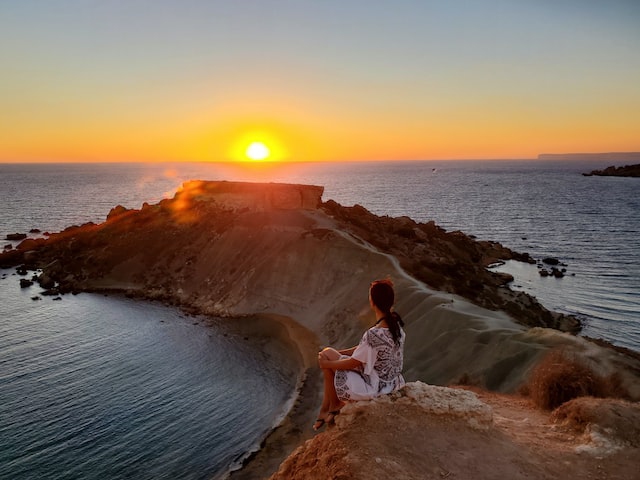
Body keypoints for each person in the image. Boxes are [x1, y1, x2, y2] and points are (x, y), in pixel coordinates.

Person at [313, 279, 406, 431]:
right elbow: (364, 350)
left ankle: (330, 407)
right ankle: (328, 408)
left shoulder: (373, 334)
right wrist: (337, 354)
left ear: (372, 302)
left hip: (375, 387)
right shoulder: (397, 327)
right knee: (327, 352)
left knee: (327, 362)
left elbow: (354, 363)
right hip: (391, 382)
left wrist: (327, 364)